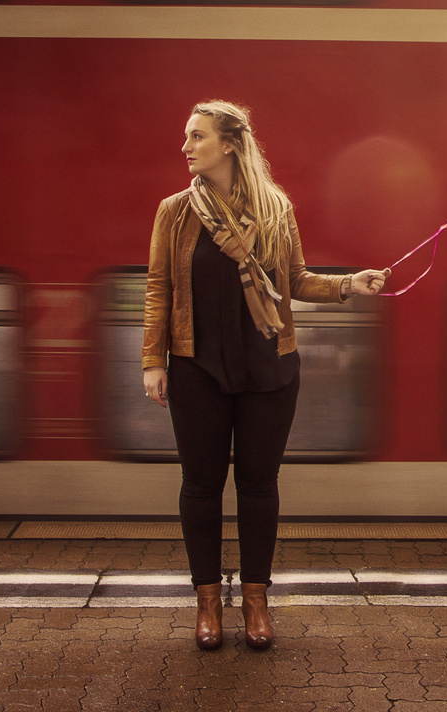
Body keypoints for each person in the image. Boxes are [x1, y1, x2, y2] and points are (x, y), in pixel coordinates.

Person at [141, 99, 385, 651]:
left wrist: (349, 284)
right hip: (195, 367)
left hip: (268, 367)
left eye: (196, 136)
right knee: (201, 487)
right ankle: (207, 603)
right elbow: (160, 288)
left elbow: (295, 279)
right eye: (186, 136)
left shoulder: (275, 209)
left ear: (229, 144)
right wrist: (153, 360)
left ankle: (255, 601)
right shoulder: (174, 213)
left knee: (258, 487)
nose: (185, 146)